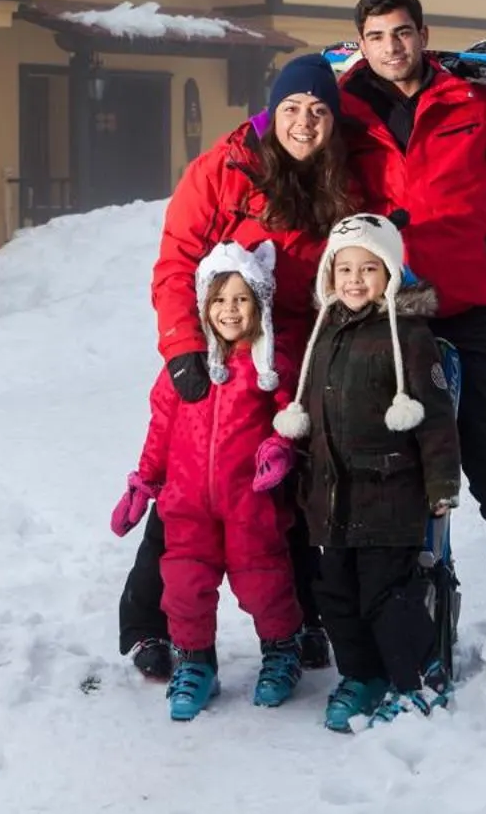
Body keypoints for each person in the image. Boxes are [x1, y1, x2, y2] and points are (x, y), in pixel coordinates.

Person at [117, 54, 363, 681]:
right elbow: (175, 264)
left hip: (294, 356)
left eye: (317, 111)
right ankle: (152, 624)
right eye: (290, 109)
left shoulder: (338, 178)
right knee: (188, 487)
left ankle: (301, 618)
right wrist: (182, 351)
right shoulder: (221, 170)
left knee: (290, 491)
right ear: (269, 111)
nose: (304, 123)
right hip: (221, 345)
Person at [335, 0, 486, 602]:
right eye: (378, 37)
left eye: (403, 33)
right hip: (383, 319)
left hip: (468, 311)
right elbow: (290, 157)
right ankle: (404, 621)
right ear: (361, 43)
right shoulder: (341, 110)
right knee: (387, 479)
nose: (392, 48)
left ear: (423, 34)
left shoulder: (469, 102)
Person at [273, 212, 461, 731]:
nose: (354, 280)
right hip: (331, 500)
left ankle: (415, 678)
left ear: (391, 273)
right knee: (334, 595)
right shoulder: (324, 334)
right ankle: (362, 675)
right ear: (328, 276)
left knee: (387, 596)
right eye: (344, 268)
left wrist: (442, 482)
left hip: (389, 498)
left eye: (368, 268)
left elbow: (438, 418)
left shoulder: (409, 337)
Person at [111, 241, 307, 721]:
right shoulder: (186, 369)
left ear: (259, 302)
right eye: (219, 300)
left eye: (241, 298)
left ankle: (282, 651)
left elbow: (292, 417)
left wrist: (280, 450)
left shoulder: (271, 366)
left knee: (262, 582)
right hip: (187, 505)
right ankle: (196, 664)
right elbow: (160, 428)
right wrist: (145, 482)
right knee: (183, 585)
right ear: (203, 306)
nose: (229, 310)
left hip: (250, 504)